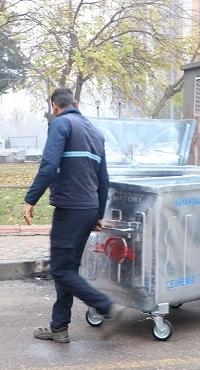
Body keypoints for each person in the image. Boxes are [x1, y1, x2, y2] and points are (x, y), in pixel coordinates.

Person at [23, 87, 123, 342]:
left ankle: (106, 306)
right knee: (68, 268)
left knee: (60, 269)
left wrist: (31, 198)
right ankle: (59, 327)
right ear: (76, 103)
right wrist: (98, 213)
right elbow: (104, 178)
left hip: (70, 207)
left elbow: (48, 165)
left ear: (55, 106)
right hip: (88, 207)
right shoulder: (95, 132)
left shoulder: (61, 124)